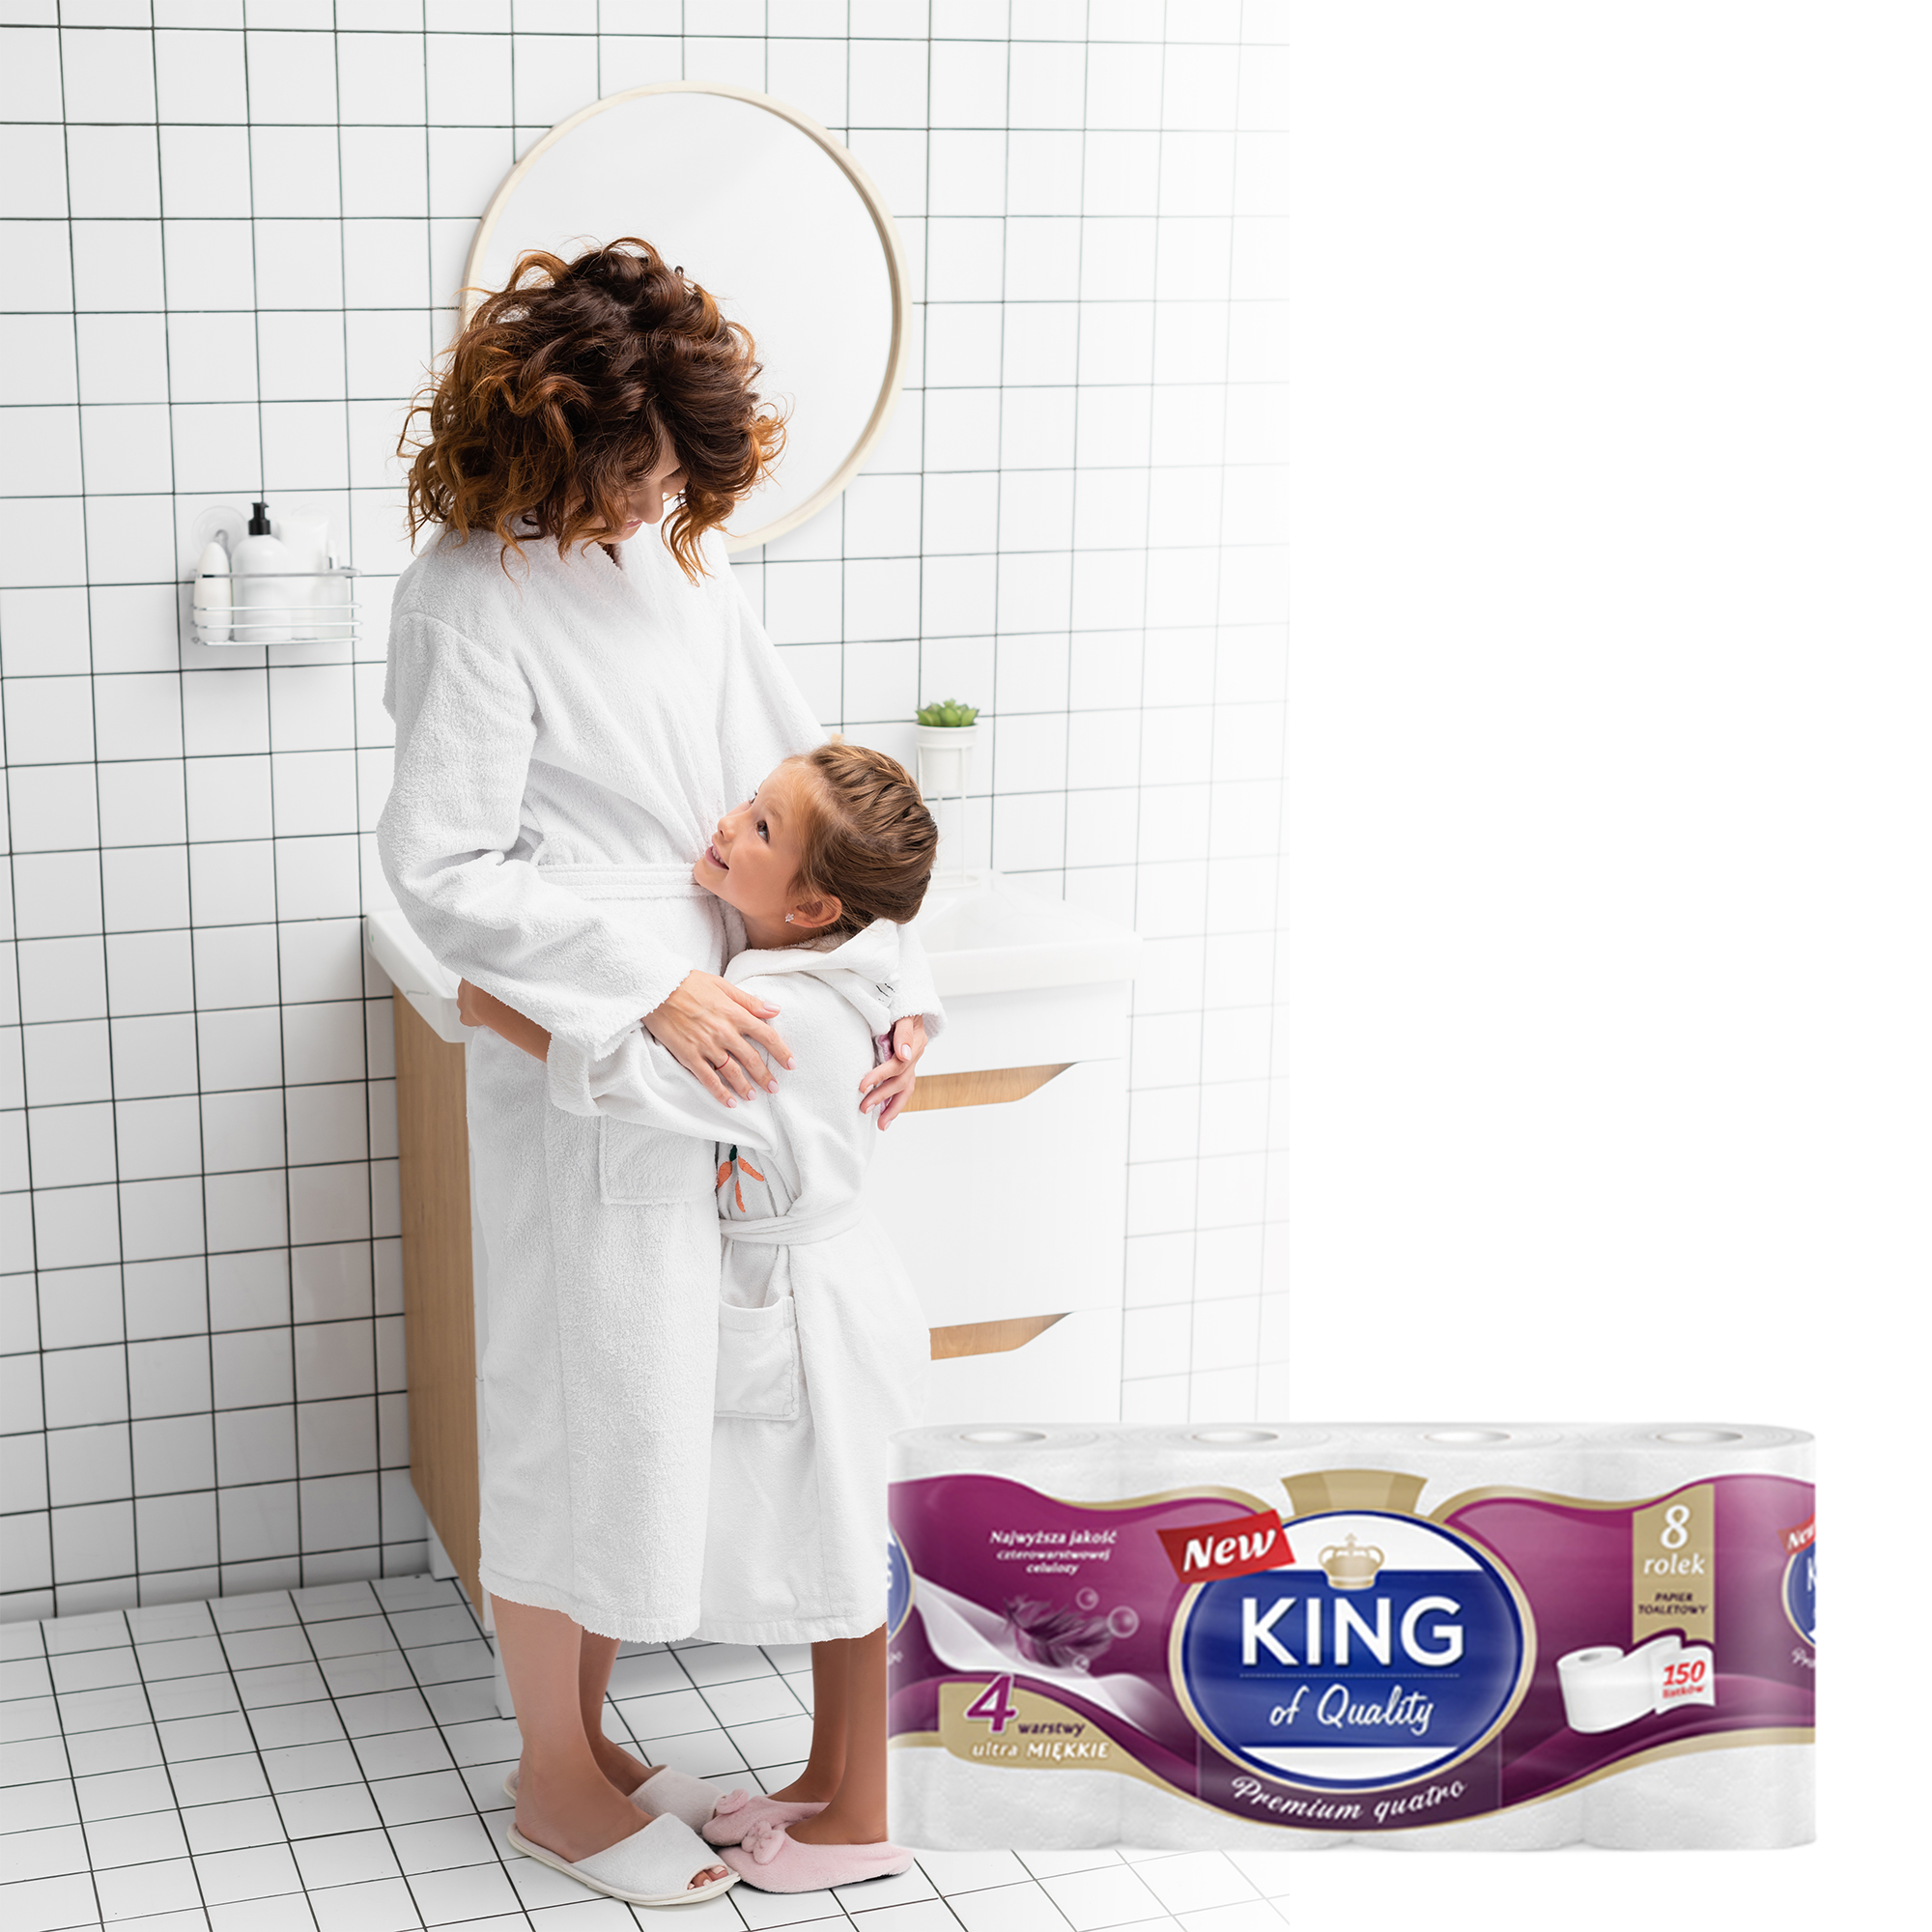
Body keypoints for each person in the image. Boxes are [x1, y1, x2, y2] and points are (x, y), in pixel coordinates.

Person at [377, 240, 942, 1906]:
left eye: (671, 467)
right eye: (629, 466)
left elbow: (805, 779)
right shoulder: (467, 592)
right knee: (575, 1411)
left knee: (652, 1418)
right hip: (605, 1039)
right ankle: (554, 1777)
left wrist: (895, 985)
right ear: (547, 438)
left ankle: (592, 1739)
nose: (654, 497)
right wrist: (642, 991)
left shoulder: (680, 561)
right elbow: (443, 867)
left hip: (721, 1034)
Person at [458, 741, 938, 1892]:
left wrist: (500, 1011)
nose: (727, 823)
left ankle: (860, 1817)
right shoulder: (833, 962)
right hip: (832, 1289)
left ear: (812, 905)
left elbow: (639, 1074)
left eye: (762, 828)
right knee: (841, 1548)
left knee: (847, 1561)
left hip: (813, 1309)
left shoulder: (783, 1013)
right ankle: (827, 1782)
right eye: (749, 804)